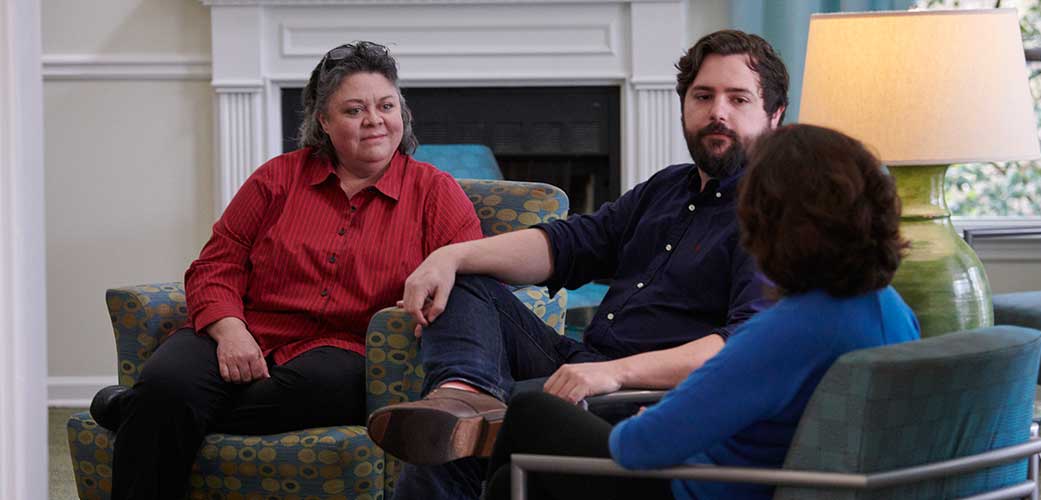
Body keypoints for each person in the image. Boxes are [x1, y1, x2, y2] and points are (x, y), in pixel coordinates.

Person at [367, 29, 789, 500]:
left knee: (444, 459)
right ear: (684, 105)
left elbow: (743, 346)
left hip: (643, 398)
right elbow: (569, 244)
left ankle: (471, 420)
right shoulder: (666, 188)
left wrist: (616, 372)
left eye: (739, 99)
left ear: (774, 115)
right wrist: (450, 255)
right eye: (703, 96)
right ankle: (464, 395)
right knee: (466, 278)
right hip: (580, 363)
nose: (718, 112)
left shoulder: (771, 213)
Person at [88, 41, 483, 499]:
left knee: (291, 390)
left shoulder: (436, 193)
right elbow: (217, 261)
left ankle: (138, 411)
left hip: (346, 351)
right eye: (354, 110)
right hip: (250, 328)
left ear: (402, 113)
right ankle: (153, 405)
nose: (375, 120)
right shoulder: (277, 178)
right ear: (324, 121)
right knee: (166, 382)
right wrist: (230, 329)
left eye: (386, 105)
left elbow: (471, 287)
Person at [483, 123, 920, 500]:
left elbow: (640, 447)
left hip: (696, 489)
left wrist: (653, 418)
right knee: (513, 485)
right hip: (759, 478)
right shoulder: (890, 308)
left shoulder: (788, 329)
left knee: (532, 411)